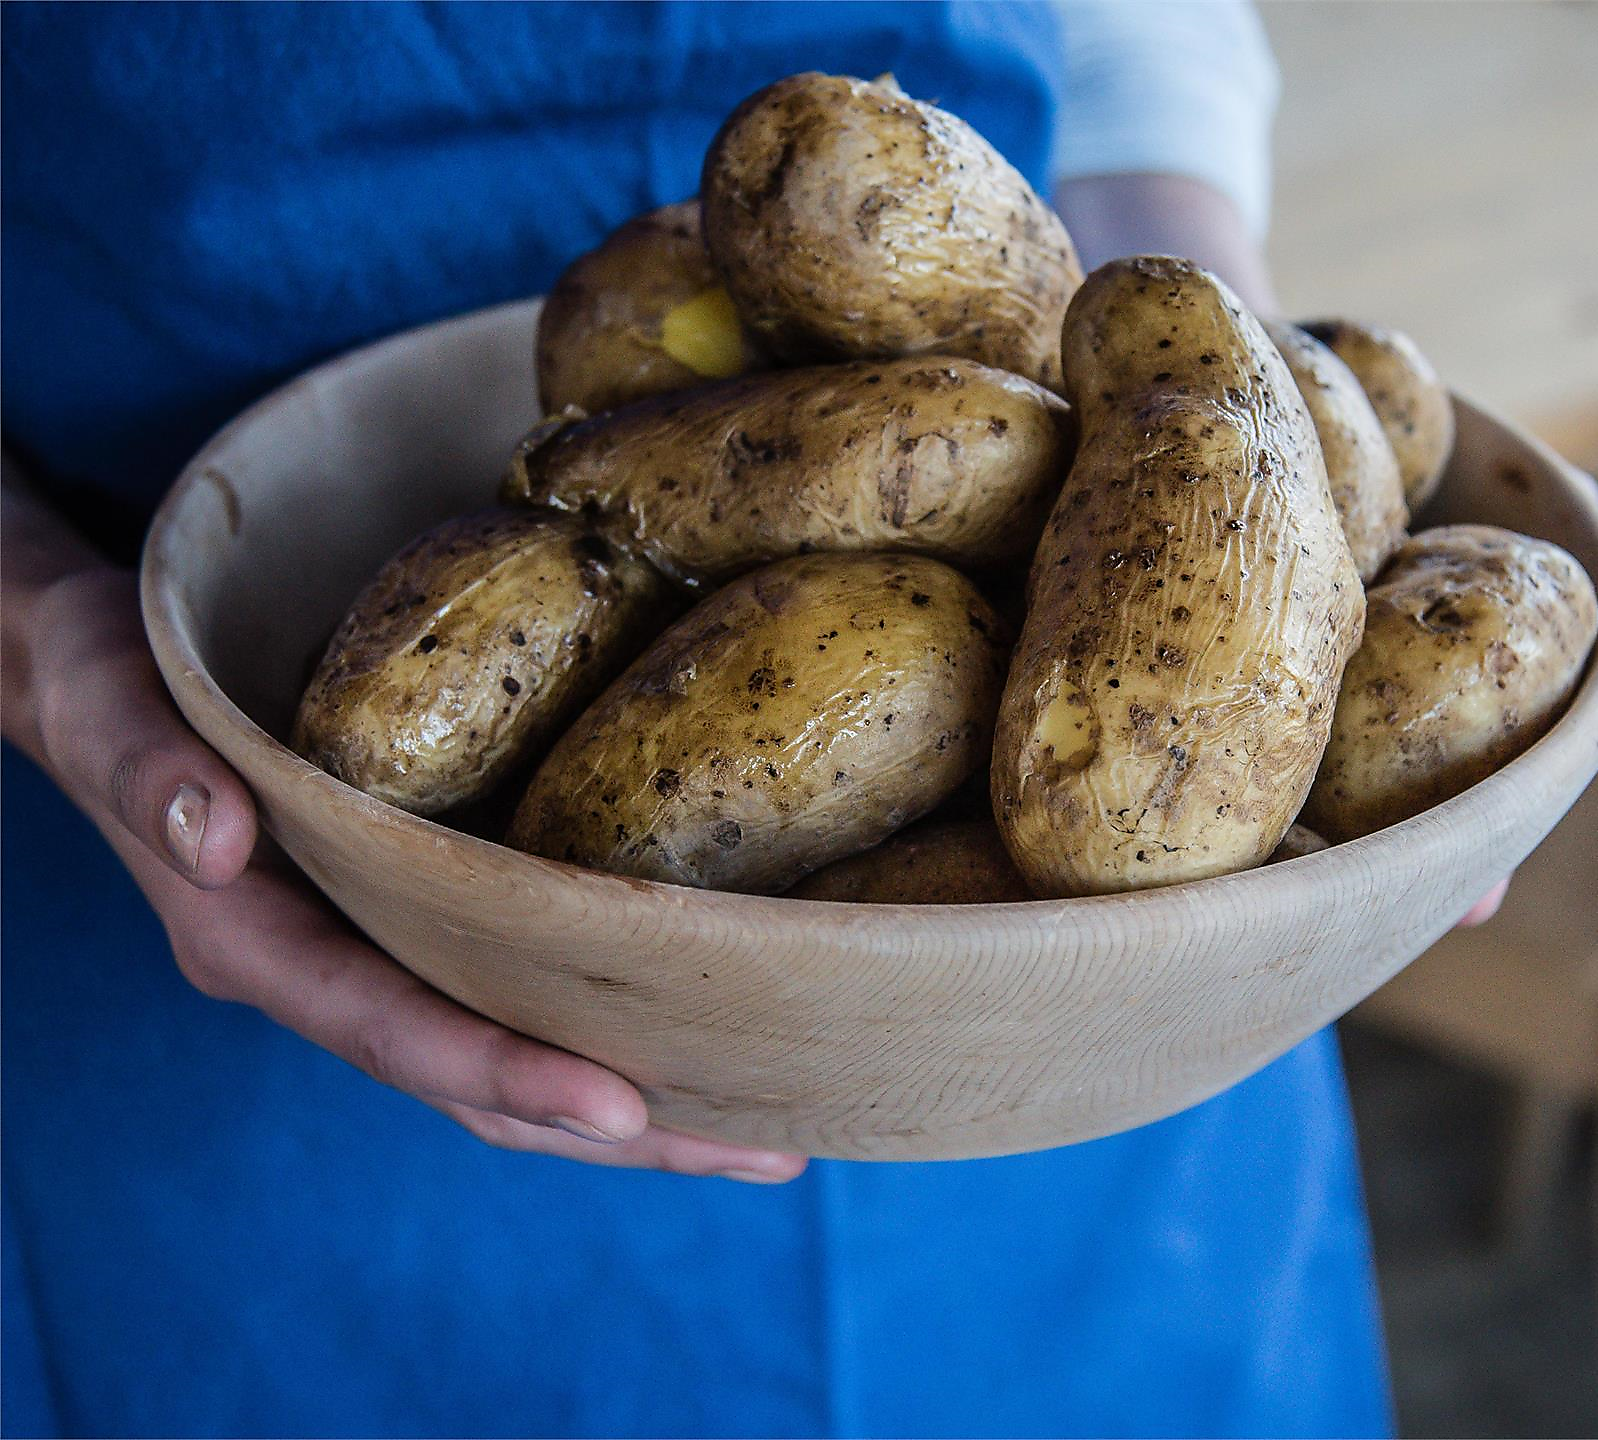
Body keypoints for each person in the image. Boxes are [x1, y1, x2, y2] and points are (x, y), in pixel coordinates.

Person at [2, 4, 1501, 1434]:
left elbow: (1131, 33)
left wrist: (1210, 374)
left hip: (1098, 1020)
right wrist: (35, 629)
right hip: (228, 782)